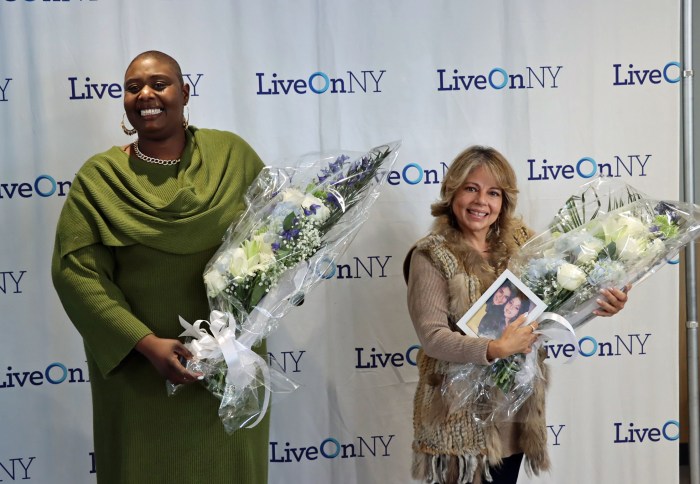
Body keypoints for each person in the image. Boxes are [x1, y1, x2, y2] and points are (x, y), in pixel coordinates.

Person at [51, 51, 268, 484]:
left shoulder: (233, 158)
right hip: (139, 375)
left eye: (159, 83)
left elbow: (274, 241)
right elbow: (78, 275)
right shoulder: (100, 178)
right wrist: (146, 344)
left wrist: (236, 331)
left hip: (229, 370)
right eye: (133, 87)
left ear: (185, 93)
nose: (146, 94)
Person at [403, 146, 629, 484]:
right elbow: (433, 338)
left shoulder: (524, 243)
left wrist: (603, 300)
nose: (482, 201)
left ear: (504, 200)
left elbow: (555, 306)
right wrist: (493, 349)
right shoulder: (432, 256)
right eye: (471, 188)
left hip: (514, 413)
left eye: (493, 192)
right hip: (456, 418)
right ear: (452, 191)